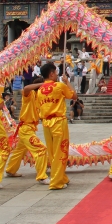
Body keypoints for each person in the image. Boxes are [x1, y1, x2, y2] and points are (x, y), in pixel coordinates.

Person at [38, 62, 77, 190]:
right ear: (51, 74)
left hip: (46, 123)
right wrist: (67, 81)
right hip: (58, 122)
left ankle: (61, 177)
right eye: (55, 72)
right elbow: (73, 95)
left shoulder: (40, 90)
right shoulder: (59, 86)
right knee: (61, 151)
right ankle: (56, 182)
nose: (57, 74)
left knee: (52, 152)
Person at [5, 77, 49, 185]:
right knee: (41, 149)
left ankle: (11, 169)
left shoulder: (39, 98)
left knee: (20, 150)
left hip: (29, 129)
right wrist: (42, 84)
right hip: (26, 129)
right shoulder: (30, 95)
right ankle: (42, 176)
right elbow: (26, 88)